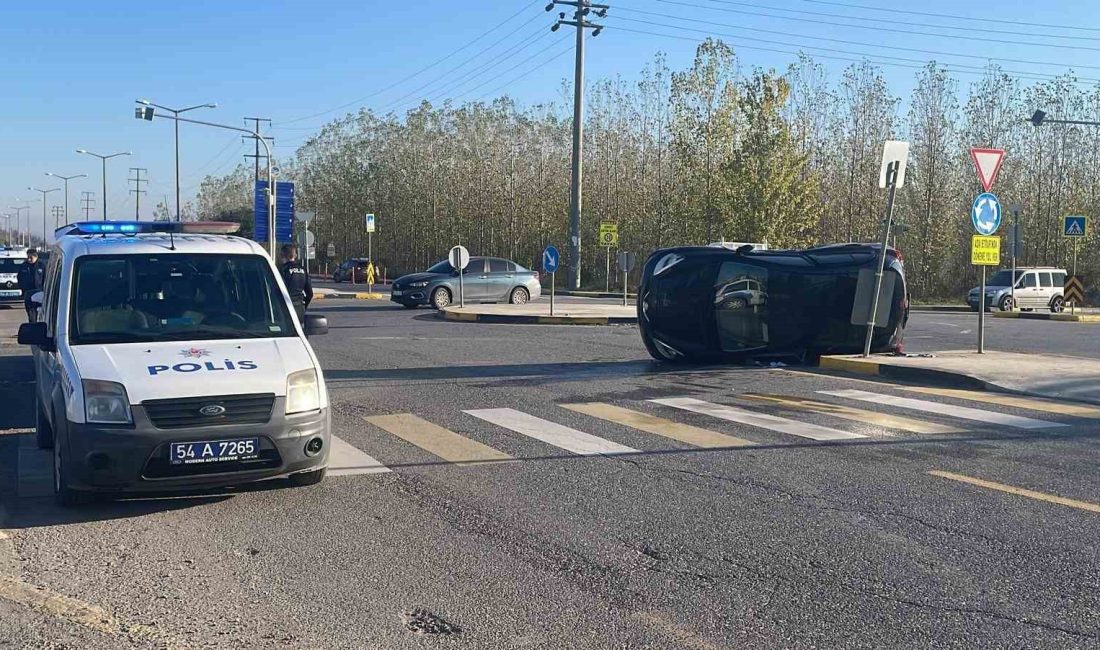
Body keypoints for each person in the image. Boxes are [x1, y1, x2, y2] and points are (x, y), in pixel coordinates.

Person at [279, 244, 313, 323]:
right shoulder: (303, 270)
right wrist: (303, 306)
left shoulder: (283, 270)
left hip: (285, 308)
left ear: (282, 255)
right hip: (299, 308)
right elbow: (310, 294)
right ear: (295, 255)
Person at [17, 249, 46, 323]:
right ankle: (32, 326)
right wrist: (23, 289)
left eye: (31, 257)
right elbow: (19, 278)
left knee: (41, 312)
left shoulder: (42, 265)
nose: (29, 259)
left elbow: (46, 278)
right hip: (28, 293)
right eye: (28, 257)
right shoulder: (24, 266)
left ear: (36, 256)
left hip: (39, 292)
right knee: (31, 313)